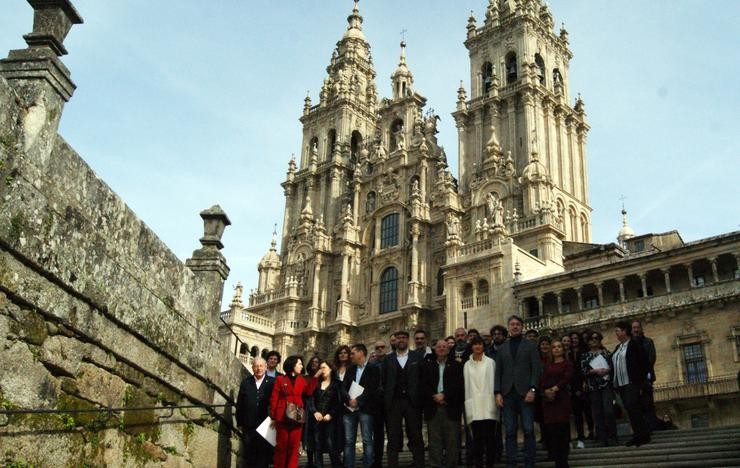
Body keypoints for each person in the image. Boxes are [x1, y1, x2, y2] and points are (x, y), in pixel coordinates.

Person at [495, 315, 542, 468]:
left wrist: (533, 389)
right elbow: (498, 372)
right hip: (508, 394)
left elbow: (536, 369)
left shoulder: (530, 346)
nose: (515, 327)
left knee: (528, 429)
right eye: (512, 324)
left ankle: (530, 462)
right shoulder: (502, 349)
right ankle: (511, 462)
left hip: (525, 393)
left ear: (522, 327)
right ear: (508, 327)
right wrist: (497, 392)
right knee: (509, 431)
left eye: (517, 324)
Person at [384, 330, 425, 468]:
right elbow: (383, 381)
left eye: (404, 338)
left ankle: (419, 463)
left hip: (412, 402)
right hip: (394, 402)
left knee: (415, 434)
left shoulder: (417, 357)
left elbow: (422, 379)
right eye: (398, 338)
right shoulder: (388, 359)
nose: (401, 340)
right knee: (393, 436)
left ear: (408, 340)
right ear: (395, 341)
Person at [422, 338, 464, 468]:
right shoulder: (428, 365)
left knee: (452, 441)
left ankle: (452, 464)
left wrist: (444, 395)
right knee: (434, 441)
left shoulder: (457, 366)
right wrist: (435, 396)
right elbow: (424, 385)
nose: (441, 348)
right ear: (434, 349)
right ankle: (436, 465)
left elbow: (458, 385)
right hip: (433, 407)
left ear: (448, 349)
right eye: (438, 347)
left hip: (450, 406)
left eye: (444, 347)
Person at [612, 321, 651, 447]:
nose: (616, 333)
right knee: (629, 408)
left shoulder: (634, 344)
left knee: (633, 406)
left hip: (632, 382)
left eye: (617, 330)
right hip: (621, 383)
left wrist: (641, 380)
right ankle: (637, 434)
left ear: (624, 331)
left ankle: (643, 435)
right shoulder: (618, 348)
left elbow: (644, 361)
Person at [342, 344, 380, 468]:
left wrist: (358, 400)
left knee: (367, 440)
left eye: (353, 353)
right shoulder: (350, 369)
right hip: (349, 409)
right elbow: (343, 387)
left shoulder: (373, 369)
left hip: (366, 408)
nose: (350, 356)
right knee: (349, 441)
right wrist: (349, 400)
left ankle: (368, 465)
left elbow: (373, 388)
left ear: (361, 353)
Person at [464, 336, 499, 468]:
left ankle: (490, 464)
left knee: (490, 439)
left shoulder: (490, 362)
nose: (477, 347)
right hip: (475, 406)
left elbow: (494, 383)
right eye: (475, 344)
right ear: (471, 347)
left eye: (480, 344)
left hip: (488, 405)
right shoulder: (467, 365)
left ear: (483, 346)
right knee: (477, 440)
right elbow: (467, 386)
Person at [270, 355, 310, 468]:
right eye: (300, 364)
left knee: (294, 446)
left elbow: (308, 392)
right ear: (293, 365)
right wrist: (273, 416)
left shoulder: (302, 380)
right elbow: (274, 398)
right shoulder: (280, 379)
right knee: (281, 447)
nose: (302, 366)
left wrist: (315, 378)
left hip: (297, 415)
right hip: (282, 416)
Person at [236, 357, 276, 468]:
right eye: (256, 366)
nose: (258, 368)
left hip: (266, 424)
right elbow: (240, 403)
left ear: (265, 367)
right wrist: (239, 421)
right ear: (252, 367)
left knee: (263, 454)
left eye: (261, 366)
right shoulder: (246, 382)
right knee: (249, 453)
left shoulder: (272, 383)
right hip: (248, 424)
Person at [580, 331, 618, 447]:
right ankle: (602, 438)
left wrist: (607, 370)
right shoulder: (585, 356)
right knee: (597, 413)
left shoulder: (607, 353)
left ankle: (613, 436)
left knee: (608, 411)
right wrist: (595, 371)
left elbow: (613, 367)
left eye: (596, 338)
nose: (594, 340)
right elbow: (583, 370)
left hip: (606, 385)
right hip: (593, 387)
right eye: (591, 338)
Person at [540, 340, 573, 468]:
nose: (556, 349)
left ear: (563, 349)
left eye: (559, 347)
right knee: (552, 432)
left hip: (562, 400)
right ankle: (556, 459)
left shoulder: (567, 364)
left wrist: (554, 389)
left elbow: (567, 378)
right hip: (549, 403)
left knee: (562, 431)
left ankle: (563, 461)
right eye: (554, 347)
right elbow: (542, 380)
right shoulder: (547, 366)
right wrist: (546, 391)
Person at [308, 360, 343, 468]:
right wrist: (314, 411)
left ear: (330, 369)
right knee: (317, 445)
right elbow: (310, 398)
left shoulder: (337, 384)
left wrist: (330, 414)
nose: (322, 370)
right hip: (317, 418)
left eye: (324, 368)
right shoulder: (316, 384)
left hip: (330, 419)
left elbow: (339, 402)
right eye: (320, 368)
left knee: (330, 443)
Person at [568, 331, 593, 447]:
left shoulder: (584, 352)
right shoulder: (568, 354)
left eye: (576, 338)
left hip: (584, 384)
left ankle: (591, 432)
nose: (574, 340)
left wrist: (583, 382)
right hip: (573, 386)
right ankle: (580, 436)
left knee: (588, 411)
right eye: (572, 338)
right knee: (577, 414)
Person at [632, 320, 658, 431]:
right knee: (637, 404)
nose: (636, 330)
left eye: (638, 327)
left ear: (641, 329)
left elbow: (652, 358)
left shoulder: (648, 342)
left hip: (646, 377)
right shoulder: (629, 344)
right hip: (634, 379)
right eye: (634, 328)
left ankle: (652, 427)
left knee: (648, 403)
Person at [304, 356, 322, 468]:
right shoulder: (305, 378)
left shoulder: (323, 378)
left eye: (317, 362)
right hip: (309, 409)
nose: (315, 364)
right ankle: (310, 461)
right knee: (309, 436)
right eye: (313, 362)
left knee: (318, 435)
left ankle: (318, 460)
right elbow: (308, 392)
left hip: (320, 408)